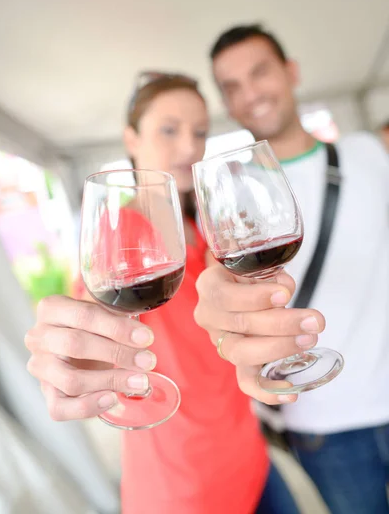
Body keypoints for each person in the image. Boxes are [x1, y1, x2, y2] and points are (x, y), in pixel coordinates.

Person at [24, 72, 313, 514]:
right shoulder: (118, 233)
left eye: (199, 132)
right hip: (182, 490)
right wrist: (71, 353)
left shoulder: (207, 229)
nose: (188, 147)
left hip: (251, 461)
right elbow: (92, 310)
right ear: (131, 139)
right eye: (169, 129)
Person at [194, 24, 389, 514]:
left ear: (291, 71)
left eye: (259, 73)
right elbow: (218, 289)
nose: (250, 93)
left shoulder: (369, 152)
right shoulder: (232, 192)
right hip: (322, 423)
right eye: (231, 86)